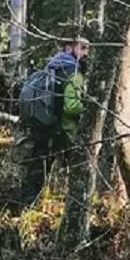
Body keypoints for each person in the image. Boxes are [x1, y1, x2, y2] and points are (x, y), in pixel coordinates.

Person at [17, 36, 89, 206]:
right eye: (83, 48)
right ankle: (68, 206)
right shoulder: (73, 72)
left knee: (37, 169)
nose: (86, 53)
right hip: (63, 131)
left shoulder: (53, 66)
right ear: (68, 48)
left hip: (43, 125)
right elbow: (71, 107)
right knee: (75, 170)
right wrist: (89, 108)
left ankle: (27, 205)